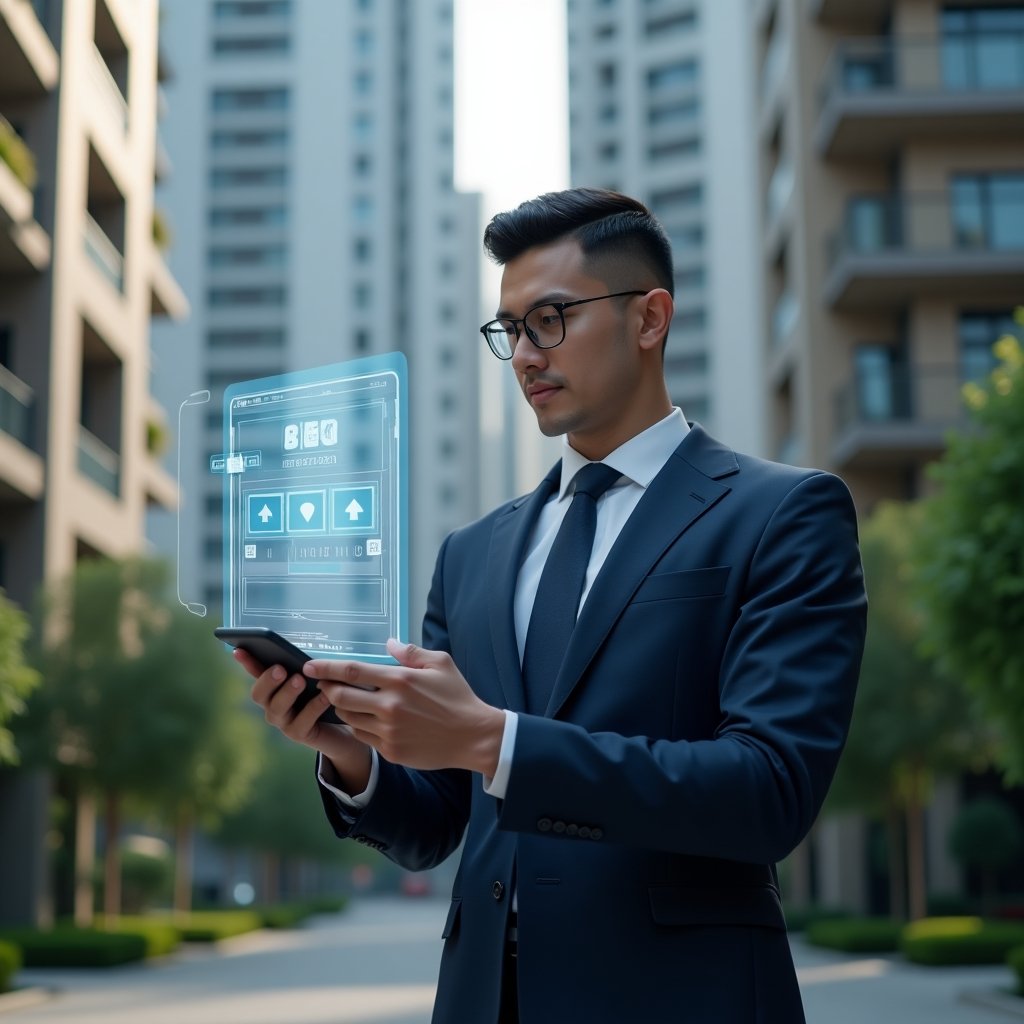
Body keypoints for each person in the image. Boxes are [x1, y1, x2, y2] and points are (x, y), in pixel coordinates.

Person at [242, 188, 867, 1023]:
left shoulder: (782, 514)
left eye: (552, 319)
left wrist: (496, 739)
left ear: (650, 319)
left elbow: (768, 791)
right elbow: (437, 823)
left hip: (685, 997)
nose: (526, 356)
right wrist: (350, 755)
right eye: (510, 331)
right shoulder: (471, 554)